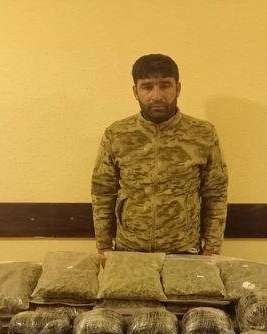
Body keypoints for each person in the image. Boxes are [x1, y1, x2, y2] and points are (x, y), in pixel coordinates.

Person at [91, 54, 228, 256]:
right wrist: (103, 246)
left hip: (184, 250)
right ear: (135, 92)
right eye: (147, 87)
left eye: (165, 86)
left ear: (178, 88)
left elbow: (215, 193)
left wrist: (212, 247)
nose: (156, 96)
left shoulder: (202, 134)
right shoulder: (117, 134)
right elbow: (103, 191)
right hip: (129, 250)